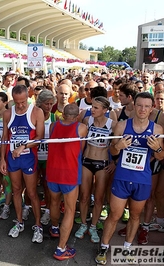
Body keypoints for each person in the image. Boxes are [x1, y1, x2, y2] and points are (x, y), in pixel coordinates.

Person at [95, 92, 164, 265]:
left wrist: (157, 149)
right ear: (134, 105)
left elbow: (161, 156)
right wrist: (117, 147)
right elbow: (112, 151)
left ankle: (127, 248)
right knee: (115, 215)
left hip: (142, 179)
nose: (142, 109)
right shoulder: (121, 126)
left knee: (135, 216)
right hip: (122, 178)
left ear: (151, 109)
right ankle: (104, 247)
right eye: (140, 105)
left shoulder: (157, 129)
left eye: (146, 106)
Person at [0, 84, 45, 243]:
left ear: (28, 97)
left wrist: (23, 146)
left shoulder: (37, 112)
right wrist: (2, 159)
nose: (20, 105)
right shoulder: (7, 113)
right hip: (12, 158)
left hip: (28, 158)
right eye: (17, 102)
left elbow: (39, 137)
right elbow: (5, 137)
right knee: (16, 190)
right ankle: (19, 222)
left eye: (23, 102)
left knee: (32, 193)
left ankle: (38, 225)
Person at [47, 104, 87, 260]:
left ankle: (55, 228)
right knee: (70, 210)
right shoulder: (81, 127)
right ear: (77, 116)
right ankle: (61, 248)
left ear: (62, 114)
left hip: (52, 171)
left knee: (54, 203)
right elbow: (81, 149)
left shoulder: (53, 125)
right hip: (69, 173)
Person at [75, 96, 116, 243]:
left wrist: (114, 163)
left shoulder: (113, 124)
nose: (92, 110)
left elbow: (118, 145)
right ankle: (84, 224)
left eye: (96, 108)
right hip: (87, 161)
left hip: (102, 163)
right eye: (92, 106)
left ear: (105, 110)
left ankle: (93, 225)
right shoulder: (87, 121)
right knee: (84, 196)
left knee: (99, 198)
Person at [35, 90, 57, 226]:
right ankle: (27, 207)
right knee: (31, 185)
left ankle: (48, 211)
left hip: (49, 157)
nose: (49, 106)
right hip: (35, 156)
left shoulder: (54, 118)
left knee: (47, 186)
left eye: (51, 104)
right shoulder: (33, 115)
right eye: (46, 104)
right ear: (39, 103)